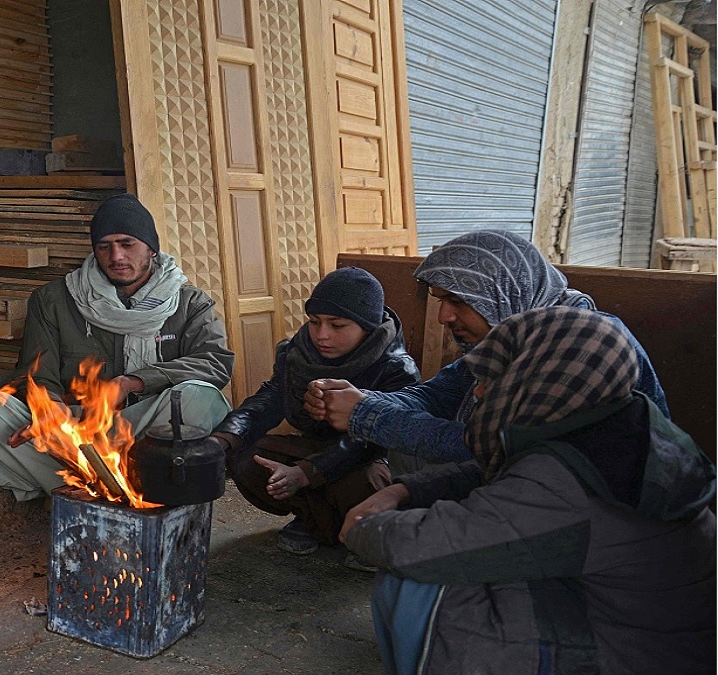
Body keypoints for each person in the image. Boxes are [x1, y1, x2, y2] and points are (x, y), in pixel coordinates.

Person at [339, 306, 716, 675]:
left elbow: (422, 546)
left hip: (640, 655)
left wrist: (362, 527)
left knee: (420, 583)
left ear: (544, 377)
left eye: (499, 376)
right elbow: (510, 476)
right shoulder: (622, 423)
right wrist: (407, 489)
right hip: (652, 631)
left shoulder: (566, 481)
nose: (481, 391)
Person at [304, 229, 669, 477]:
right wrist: (361, 399)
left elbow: (493, 449)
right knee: (407, 448)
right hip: (541, 494)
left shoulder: (579, 349)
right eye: (441, 301)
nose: (445, 317)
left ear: (504, 292)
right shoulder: (513, 335)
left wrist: (368, 414)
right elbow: (438, 393)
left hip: (604, 511)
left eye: (458, 301)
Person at [0, 193, 234, 500]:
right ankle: (106, 487)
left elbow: (215, 364)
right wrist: (50, 410)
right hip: (75, 428)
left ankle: (101, 482)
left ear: (152, 250)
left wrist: (132, 383)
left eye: (127, 244)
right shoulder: (54, 300)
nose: (116, 256)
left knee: (200, 398)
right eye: (105, 246)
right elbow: (36, 374)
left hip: (144, 427)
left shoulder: (189, 302)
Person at [205, 267, 420, 555]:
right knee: (246, 454)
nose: (322, 335)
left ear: (367, 326)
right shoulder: (297, 352)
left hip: (368, 456)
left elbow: (370, 443)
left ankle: (358, 531)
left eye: (337, 325)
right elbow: (269, 400)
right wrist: (223, 439)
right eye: (315, 322)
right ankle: (313, 520)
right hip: (313, 447)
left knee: (364, 480)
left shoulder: (397, 368)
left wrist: (306, 472)